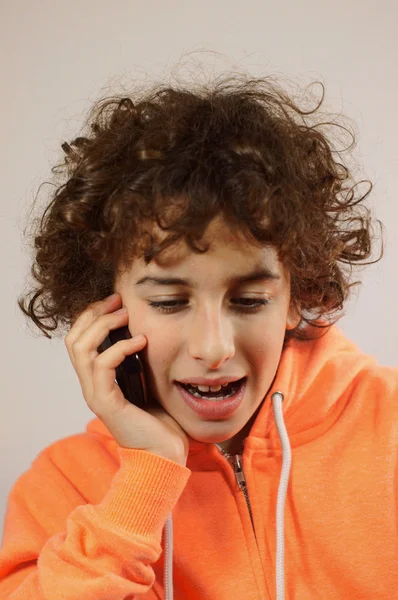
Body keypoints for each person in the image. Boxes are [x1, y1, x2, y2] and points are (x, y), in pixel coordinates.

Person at [0, 71, 397, 600]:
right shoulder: (63, 487)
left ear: (297, 293)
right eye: (169, 302)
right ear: (104, 307)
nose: (213, 348)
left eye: (250, 300)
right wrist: (144, 483)